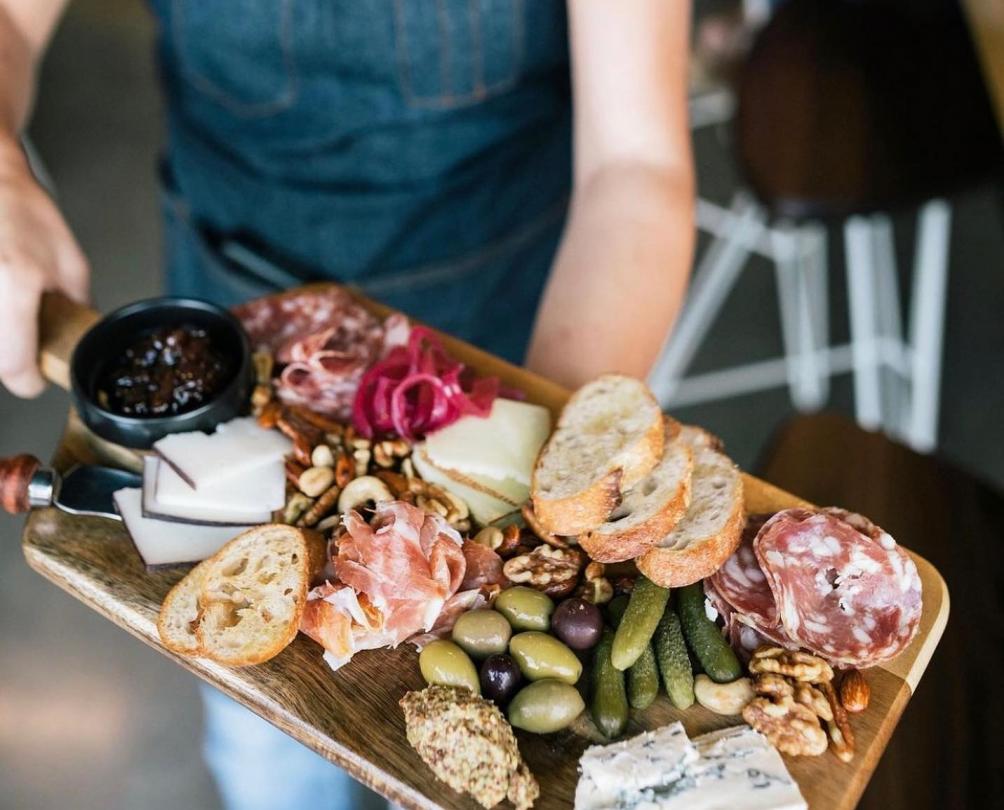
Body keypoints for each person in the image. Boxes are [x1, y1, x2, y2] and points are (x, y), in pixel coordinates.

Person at [0, 1, 694, 808]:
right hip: (236, 316)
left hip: (513, 328)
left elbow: (635, 166)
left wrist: (531, 459)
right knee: (269, 755)